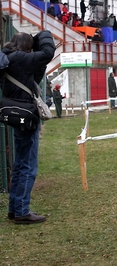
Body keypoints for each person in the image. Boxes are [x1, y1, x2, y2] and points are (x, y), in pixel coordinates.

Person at [2, 30, 55, 224]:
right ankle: (22, 211)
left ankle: (14, 209)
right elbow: (48, 53)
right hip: (27, 116)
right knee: (28, 166)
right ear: (26, 46)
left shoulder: (7, 59)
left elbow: (37, 70)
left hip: (15, 116)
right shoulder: (20, 58)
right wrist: (45, 35)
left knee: (19, 165)